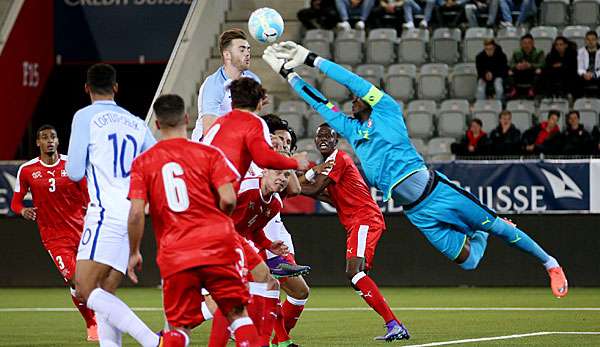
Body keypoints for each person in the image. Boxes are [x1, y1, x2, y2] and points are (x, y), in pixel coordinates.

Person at [263, 40, 568, 315]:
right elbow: (318, 102)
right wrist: (288, 74)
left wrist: (310, 58)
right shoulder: (353, 131)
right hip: (417, 212)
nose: (352, 99)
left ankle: (550, 263)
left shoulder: (387, 109)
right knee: (469, 261)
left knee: (501, 228)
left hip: (437, 191)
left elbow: (350, 79)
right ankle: (480, 230)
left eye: (357, 97)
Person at [127, 94, 260, 347]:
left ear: (156, 124)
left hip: (176, 253)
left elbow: (135, 213)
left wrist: (133, 251)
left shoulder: (143, 162)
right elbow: (230, 198)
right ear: (187, 119)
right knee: (238, 315)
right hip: (218, 247)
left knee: (178, 326)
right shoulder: (209, 153)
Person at [66, 63, 160, 347]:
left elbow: (74, 172)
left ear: (87, 89)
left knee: (83, 287)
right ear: (116, 88)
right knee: (106, 291)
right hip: (131, 212)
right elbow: (156, 158)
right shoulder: (134, 121)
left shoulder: (85, 117)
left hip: (105, 211)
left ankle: (154, 341)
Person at [300, 123, 409, 342]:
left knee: (353, 272)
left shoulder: (339, 159)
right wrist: (307, 178)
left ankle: (394, 324)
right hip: (359, 222)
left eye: (327, 136)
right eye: (318, 136)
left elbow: (311, 188)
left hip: (363, 219)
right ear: (314, 141)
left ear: (336, 140)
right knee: (357, 276)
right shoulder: (328, 165)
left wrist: (289, 185)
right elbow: (326, 196)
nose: (322, 139)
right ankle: (394, 325)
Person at [10, 125, 97, 341]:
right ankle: (92, 323)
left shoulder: (73, 165)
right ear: (38, 143)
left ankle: (100, 317)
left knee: (92, 282)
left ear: (58, 141)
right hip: (54, 238)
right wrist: (23, 210)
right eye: (45, 138)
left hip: (83, 232)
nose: (49, 141)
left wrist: (93, 218)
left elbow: (88, 196)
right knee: (77, 281)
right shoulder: (28, 170)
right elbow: (15, 202)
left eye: (53, 137)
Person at [257, 115, 311, 347]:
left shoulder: (280, 170)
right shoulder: (256, 163)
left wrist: (284, 157)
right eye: (280, 140)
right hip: (256, 236)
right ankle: (280, 340)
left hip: (274, 235)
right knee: (270, 286)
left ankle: (275, 338)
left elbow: (296, 188)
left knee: (299, 292)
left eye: (288, 143)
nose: (284, 145)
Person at [203, 77, 309, 177]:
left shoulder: (220, 121)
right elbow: (263, 158)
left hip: (196, 181)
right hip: (214, 187)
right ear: (259, 104)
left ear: (232, 104)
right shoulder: (254, 122)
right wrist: (294, 162)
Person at [190, 29, 261, 141]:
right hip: (209, 146)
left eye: (248, 49)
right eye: (242, 50)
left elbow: (254, 118)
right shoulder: (213, 85)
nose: (247, 53)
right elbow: (209, 130)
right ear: (227, 55)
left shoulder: (253, 80)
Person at [508, 34, 545, 99]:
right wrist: (517, 66)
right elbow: (510, 64)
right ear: (521, 44)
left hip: (532, 72)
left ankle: (532, 90)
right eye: (524, 43)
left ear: (533, 43)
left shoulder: (539, 52)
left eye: (529, 43)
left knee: (539, 70)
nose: (526, 45)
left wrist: (530, 65)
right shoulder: (516, 52)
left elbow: (542, 64)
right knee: (509, 71)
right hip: (520, 73)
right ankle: (514, 90)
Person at [577, 30, 600, 98]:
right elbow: (579, 67)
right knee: (575, 79)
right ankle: (579, 102)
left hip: (597, 75)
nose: (590, 42)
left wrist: (594, 74)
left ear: (597, 40)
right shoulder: (580, 52)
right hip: (585, 76)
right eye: (588, 39)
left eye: (593, 39)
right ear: (585, 41)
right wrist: (584, 74)